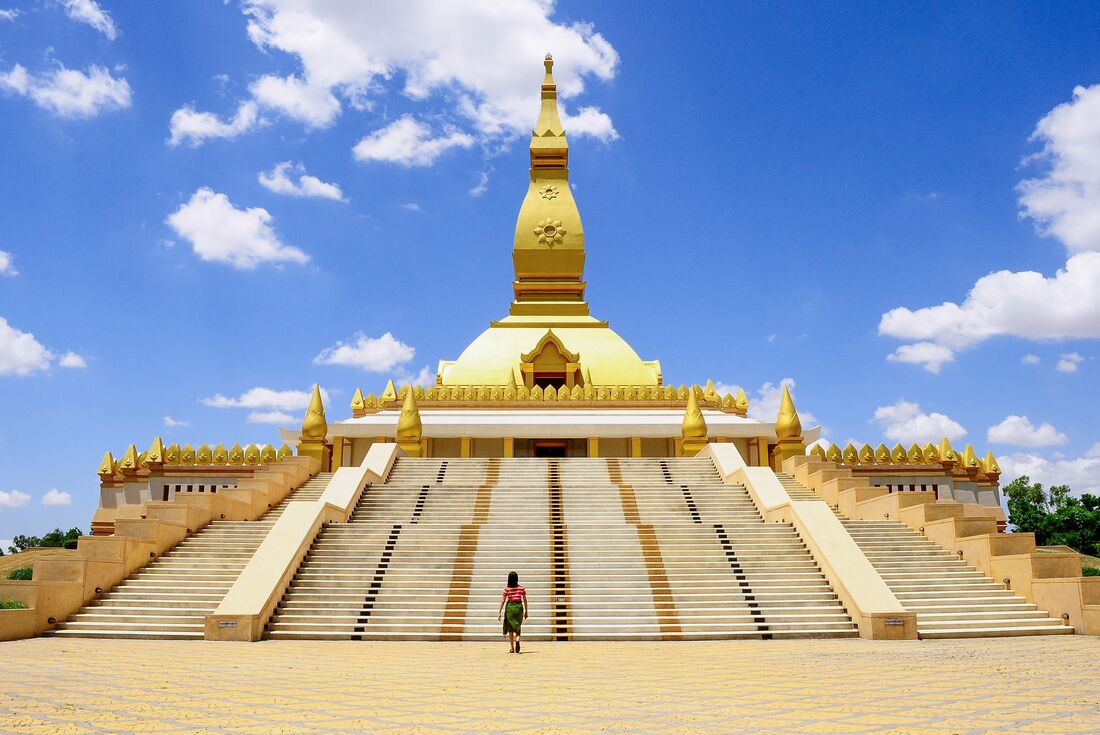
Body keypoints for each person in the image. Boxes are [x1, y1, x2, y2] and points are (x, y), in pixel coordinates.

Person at [497, 570, 528, 653]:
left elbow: (503, 600)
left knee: (510, 628)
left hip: (510, 608)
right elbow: (525, 600)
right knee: (518, 625)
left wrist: (499, 612)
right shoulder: (521, 588)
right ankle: (517, 639)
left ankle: (512, 648)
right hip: (519, 608)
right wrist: (526, 611)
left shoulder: (507, 589)